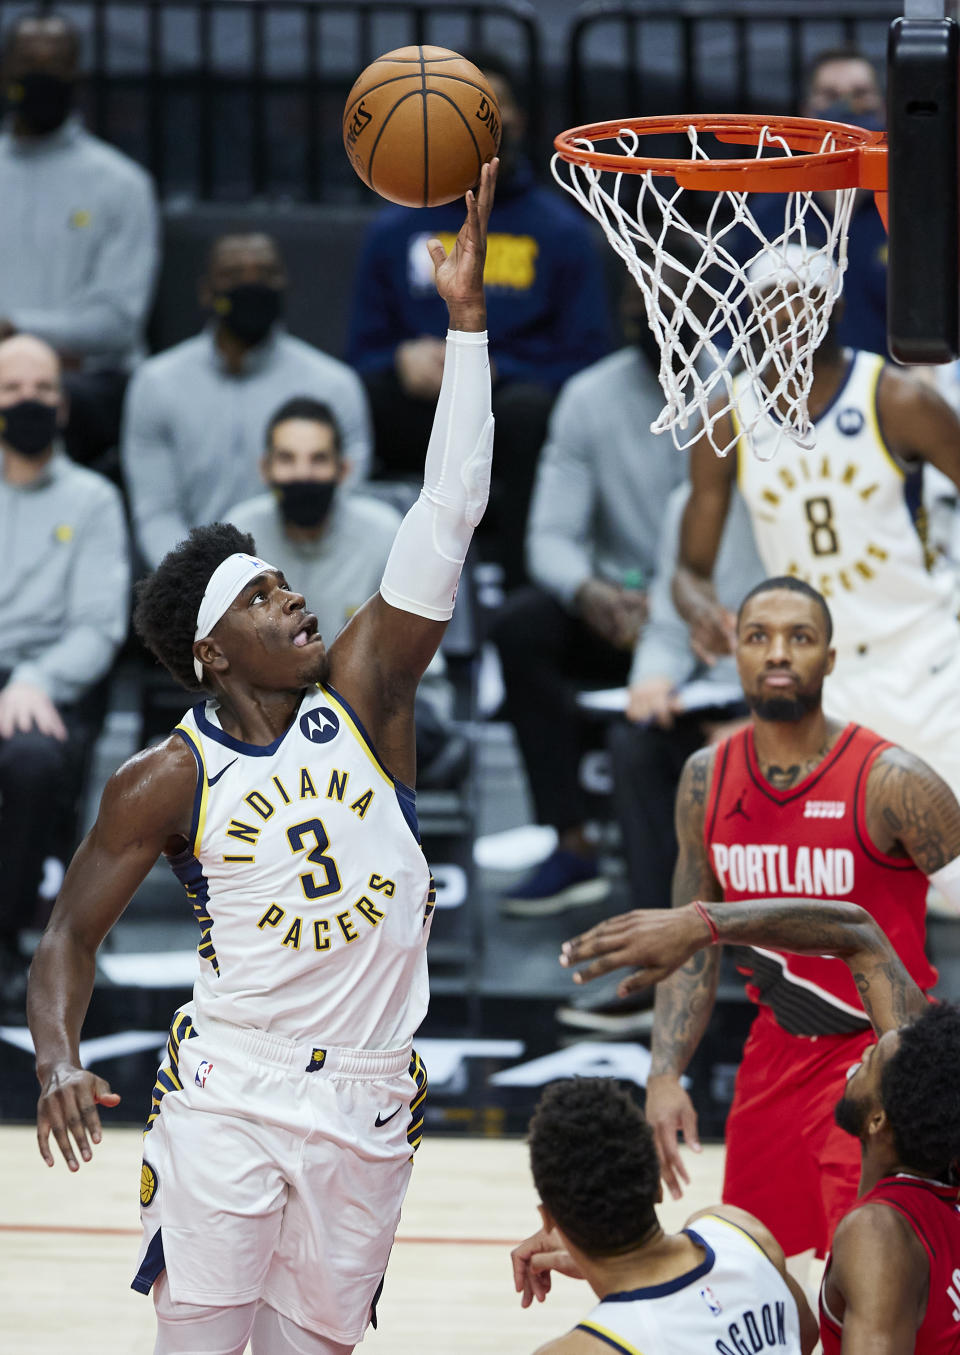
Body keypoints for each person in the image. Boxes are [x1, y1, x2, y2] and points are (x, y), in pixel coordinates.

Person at [27, 161, 498, 1354]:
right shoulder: (164, 775)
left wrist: (468, 330)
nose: (296, 601)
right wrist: (57, 1060)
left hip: (373, 1092)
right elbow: (69, 936)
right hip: (232, 1086)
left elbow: (446, 512)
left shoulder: (363, 688)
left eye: (290, 585)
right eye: (264, 596)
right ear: (208, 648)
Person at [610, 576, 960, 1263]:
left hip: (878, 1061)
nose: (778, 652)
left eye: (800, 637)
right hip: (772, 1057)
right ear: (731, 653)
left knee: (866, 1282)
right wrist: (664, 1073)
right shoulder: (705, 779)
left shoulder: (894, 780)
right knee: (749, 1273)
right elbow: (693, 943)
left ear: (830, 658)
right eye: (758, 636)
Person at [560, 901, 960, 1355]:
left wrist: (705, 924)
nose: (863, 1053)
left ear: (878, 1119)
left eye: (872, 1059)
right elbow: (859, 933)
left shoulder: (877, 1232)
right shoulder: (941, 1172)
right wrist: (702, 924)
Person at [675, 248, 960, 797]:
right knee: (840, 878)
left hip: (923, 659)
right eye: (768, 305)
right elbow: (690, 568)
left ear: (833, 309)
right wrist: (699, 610)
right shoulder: (727, 418)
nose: (782, 320)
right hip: (820, 679)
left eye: (797, 304)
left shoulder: (895, 398)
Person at [346, 56, 612, 587]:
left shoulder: (560, 232)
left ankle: (514, 588)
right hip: (419, 405)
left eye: (494, 103)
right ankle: (372, 582)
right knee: (356, 396)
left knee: (527, 413)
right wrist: (399, 358)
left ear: (515, 119)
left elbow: (586, 362)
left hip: (510, 413)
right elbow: (359, 351)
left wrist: (497, 370)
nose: (481, 114)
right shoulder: (394, 227)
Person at [555, 482, 761, 1034]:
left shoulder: (820, 494)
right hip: (713, 694)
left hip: (807, 702)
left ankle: (790, 968)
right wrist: (651, 680)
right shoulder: (688, 503)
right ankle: (662, 964)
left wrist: (768, 723)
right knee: (636, 742)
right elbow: (670, 626)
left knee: (750, 757)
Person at [493, 334, 686, 916]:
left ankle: (720, 861)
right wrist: (590, 591)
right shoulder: (588, 395)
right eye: (640, 297)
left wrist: (676, 606)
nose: (657, 310)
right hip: (617, 608)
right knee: (522, 626)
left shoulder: (738, 389)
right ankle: (572, 844)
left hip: (706, 610)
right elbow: (548, 539)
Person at [227, 396, 462, 789]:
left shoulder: (387, 533)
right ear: (266, 469)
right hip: (278, 708)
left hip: (394, 706)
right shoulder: (240, 536)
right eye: (288, 459)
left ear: (344, 469)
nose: (303, 473)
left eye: (318, 460)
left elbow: (400, 664)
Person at [0, 333, 129, 1018]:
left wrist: (34, 678)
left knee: (28, 758)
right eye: (13, 391)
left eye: (44, 390)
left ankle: (10, 936)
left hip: (52, 683)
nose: (30, 402)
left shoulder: (94, 501)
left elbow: (99, 625)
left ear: (64, 404)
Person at [511, 1077, 818, 1355]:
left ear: (550, 1219)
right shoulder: (740, 1231)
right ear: (657, 1186)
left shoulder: (583, 1350)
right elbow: (803, 1334)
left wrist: (592, 1252)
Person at [122, 230, 372, 570]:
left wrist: (274, 588)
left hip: (301, 578)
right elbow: (156, 514)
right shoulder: (156, 383)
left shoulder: (335, 386)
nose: (251, 286)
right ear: (207, 291)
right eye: (234, 275)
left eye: (266, 274)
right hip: (197, 586)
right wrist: (205, 587)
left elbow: (340, 503)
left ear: (285, 284)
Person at [0, 9, 159, 466]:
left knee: (45, 397)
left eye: (55, 68)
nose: (41, 79)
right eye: (30, 67)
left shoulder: (121, 184)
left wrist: (17, 333)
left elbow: (116, 324)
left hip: (90, 387)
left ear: (77, 77)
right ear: (7, 72)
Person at [733, 48, 887, 357]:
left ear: (883, 109)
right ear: (806, 113)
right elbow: (734, 321)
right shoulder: (766, 216)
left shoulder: (919, 214)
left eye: (860, 93)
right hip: (796, 392)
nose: (847, 106)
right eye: (830, 95)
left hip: (901, 392)